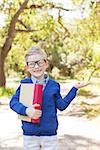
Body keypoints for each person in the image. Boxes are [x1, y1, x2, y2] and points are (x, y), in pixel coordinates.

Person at [9, 45, 90, 150]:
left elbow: (61, 106)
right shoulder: (25, 85)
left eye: (40, 62)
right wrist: (26, 110)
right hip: (30, 134)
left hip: (49, 134)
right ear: (27, 67)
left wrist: (74, 89)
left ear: (46, 63)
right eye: (32, 64)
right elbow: (13, 103)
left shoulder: (54, 85)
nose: (36, 67)